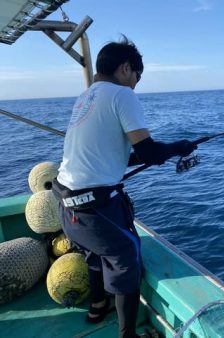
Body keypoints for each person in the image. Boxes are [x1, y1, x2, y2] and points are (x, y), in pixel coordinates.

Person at [52, 36, 196, 338]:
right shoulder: (122, 95)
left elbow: (110, 155)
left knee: (95, 254)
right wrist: (180, 146)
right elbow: (148, 153)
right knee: (127, 258)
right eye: (136, 77)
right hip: (94, 208)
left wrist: (160, 152)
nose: (135, 85)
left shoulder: (86, 97)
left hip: (66, 205)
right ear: (125, 68)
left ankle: (97, 307)